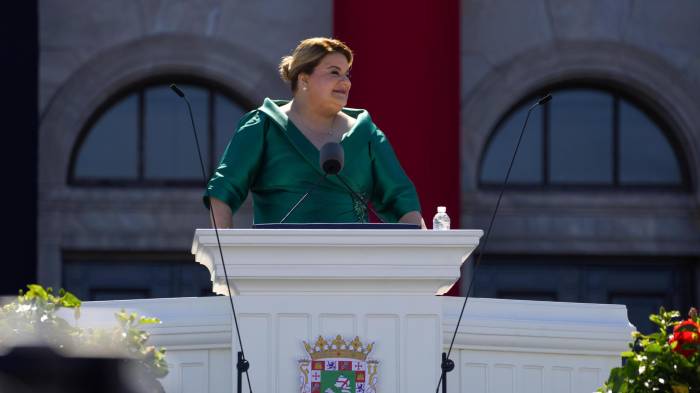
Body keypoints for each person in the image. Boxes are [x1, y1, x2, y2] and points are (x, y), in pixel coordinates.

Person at [204, 37, 425, 228]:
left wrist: (421, 254)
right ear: (304, 79)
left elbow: (402, 201)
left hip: (357, 265)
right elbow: (223, 190)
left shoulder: (366, 133)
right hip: (278, 265)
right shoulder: (263, 126)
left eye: (347, 74)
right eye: (334, 72)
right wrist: (224, 255)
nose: (346, 82)